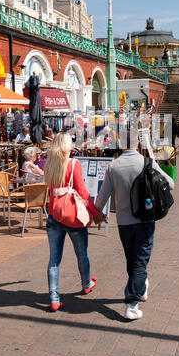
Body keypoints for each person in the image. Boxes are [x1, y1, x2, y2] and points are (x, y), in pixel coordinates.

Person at [95, 128, 175, 321]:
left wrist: (97, 212)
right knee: (139, 261)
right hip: (144, 220)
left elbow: (102, 196)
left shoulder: (113, 166)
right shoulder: (147, 162)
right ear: (137, 143)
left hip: (123, 222)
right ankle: (132, 303)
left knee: (132, 260)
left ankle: (141, 286)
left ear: (120, 144)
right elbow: (170, 184)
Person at [44, 133, 106, 312]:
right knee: (82, 254)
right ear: (66, 146)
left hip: (55, 215)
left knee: (54, 260)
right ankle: (86, 284)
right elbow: (84, 194)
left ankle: (54, 299)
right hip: (73, 217)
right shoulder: (73, 164)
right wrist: (96, 214)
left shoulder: (50, 165)